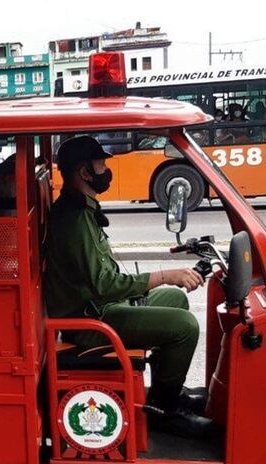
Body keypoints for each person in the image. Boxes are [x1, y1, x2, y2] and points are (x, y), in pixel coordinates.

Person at [43, 136, 214, 438]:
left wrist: (161, 283)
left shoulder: (83, 210)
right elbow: (106, 285)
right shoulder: (74, 219)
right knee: (184, 326)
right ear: (85, 172)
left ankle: (166, 392)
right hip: (90, 320)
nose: (106, 169)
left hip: (99, 307)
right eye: (101, 164)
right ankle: (165, 410)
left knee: (175, 299)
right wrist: (165, 275)